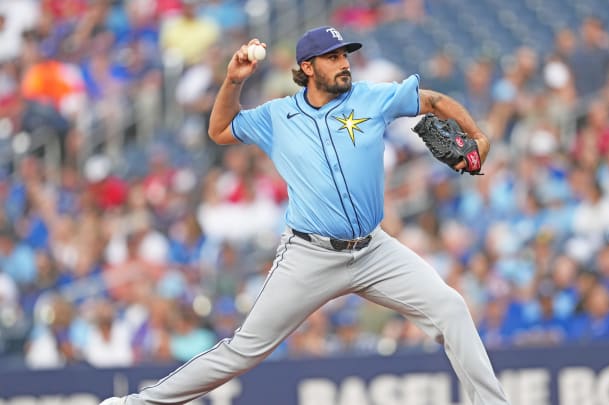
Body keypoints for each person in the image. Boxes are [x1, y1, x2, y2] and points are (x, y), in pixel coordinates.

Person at [101, 26, 509, 405]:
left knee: (451, 308)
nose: (344, 63)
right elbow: (220, 130)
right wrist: (234, 80)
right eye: (333, 57)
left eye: (345, 55)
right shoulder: (278, 116)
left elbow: (434, 101)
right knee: (244, 350)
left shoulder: (372, 97)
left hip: (374, 250)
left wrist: (478, 136)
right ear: (308, 68)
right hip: (310, 255)